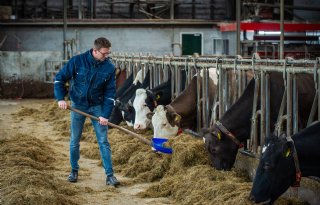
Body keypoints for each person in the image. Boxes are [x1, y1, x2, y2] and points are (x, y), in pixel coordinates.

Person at [54, 37, 120, 186]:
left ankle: (110, 176)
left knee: (103, 141)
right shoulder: (77, 61)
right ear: (95, 51)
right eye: (104, 53)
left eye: (108, 53)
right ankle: (74, 171)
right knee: (75, 140)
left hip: (97, 106)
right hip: (77, 105)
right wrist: (60, 99)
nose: (106, 56)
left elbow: (110, 94)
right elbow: (59, 79)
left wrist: (105, 115)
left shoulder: (109, 68)